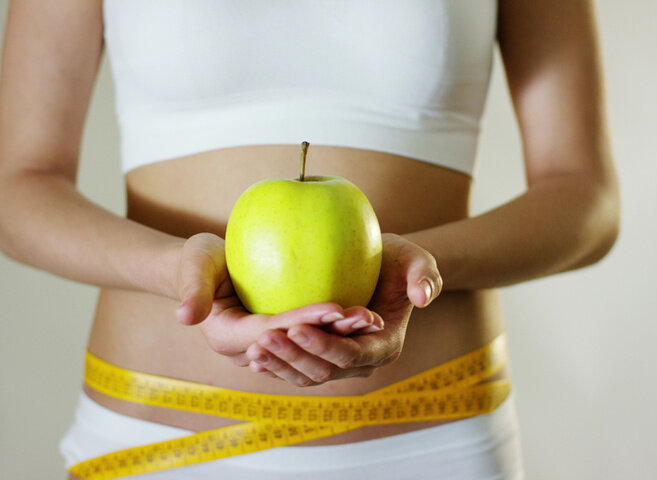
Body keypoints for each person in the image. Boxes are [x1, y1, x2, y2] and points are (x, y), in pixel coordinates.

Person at [0, 1, 620, 479]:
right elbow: (17, 189)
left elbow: (585, 196)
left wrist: (421, 269)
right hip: (153, 442)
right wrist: (176, 272)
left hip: (432, 438)